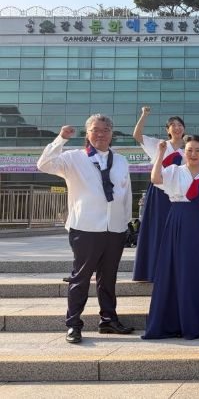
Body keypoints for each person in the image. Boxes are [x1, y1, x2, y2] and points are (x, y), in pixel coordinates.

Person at [37, 115, 134, 344]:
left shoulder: (121, 160)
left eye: (106, 129)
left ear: (112, 133)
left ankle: (108, 320)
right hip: (86, 227)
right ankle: (73, 324)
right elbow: (43, 164)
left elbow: (126, 193)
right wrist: (61, 139)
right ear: (87, 133)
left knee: (108, 278)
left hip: (114, 228)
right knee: (80, 277)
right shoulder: (73, 158)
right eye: (95, 129)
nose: (101, 134)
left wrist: (125, 222)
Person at [143, 135, 199, 340]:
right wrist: (160, 154)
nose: (193, 154)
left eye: (198, 150)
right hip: (177, 220)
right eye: (189, 150)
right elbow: (156, 179)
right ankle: (171, 321)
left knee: (196, 271)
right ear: (184, 152)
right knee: (174, 270)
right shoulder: (174, 170)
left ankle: (195, 322)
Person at [132, 106, 185, 282]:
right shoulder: (159, 144)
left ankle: (174, 271)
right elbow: (137, 135)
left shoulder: (189, 148)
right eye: (173, 125)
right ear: (167, 130)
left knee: (177, 232)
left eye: (180, 125)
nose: (177, 128)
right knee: (156, 230)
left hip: (179, 195)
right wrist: (144, 115)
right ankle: (151, 271)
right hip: (159, 194)